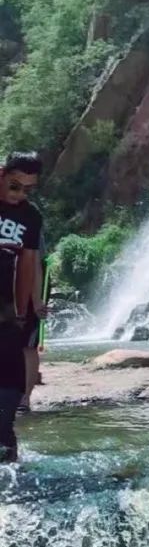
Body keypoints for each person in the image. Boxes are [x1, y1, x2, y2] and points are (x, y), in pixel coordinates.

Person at [0, 153, 46, 411]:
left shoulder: (31, 216)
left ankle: (23, 400)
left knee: (24, 345)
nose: (20, 194)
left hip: (12, 290)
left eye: (28, 189)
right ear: (2, 174)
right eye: (15, 186)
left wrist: (34, 300)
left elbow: (32, 261)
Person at [0, 202, 34, 461]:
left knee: (11, 383)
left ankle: (8, 453)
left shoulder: (28, 217)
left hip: (8, 318)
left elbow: (30, 262)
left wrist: (23, 311)